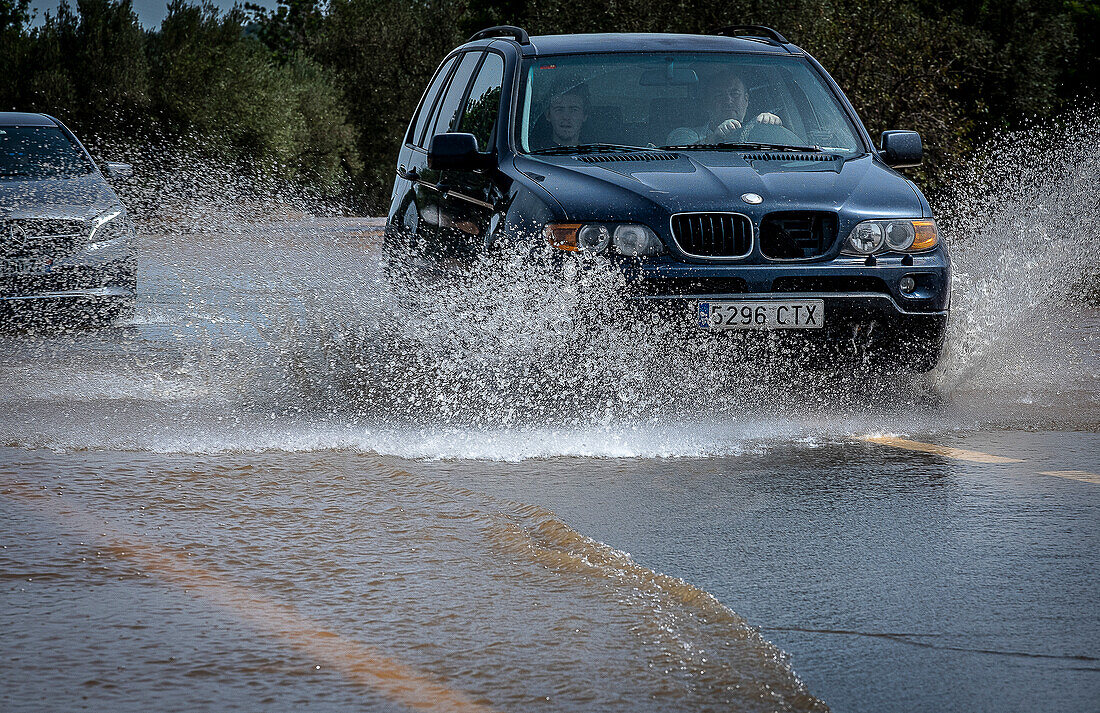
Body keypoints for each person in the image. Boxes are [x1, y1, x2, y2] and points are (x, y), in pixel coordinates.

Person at [666, 75, 782, 145]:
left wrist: (771, 129)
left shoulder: (760, 132)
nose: (728, 101)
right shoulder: (685, 134)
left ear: (746, 100)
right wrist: (714, 139)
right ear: (707, 103)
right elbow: (682, 158)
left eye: (735, 94)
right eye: (719, 95)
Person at [543, 82, 589, 147]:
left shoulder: (595, 154)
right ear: (548, 115)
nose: (566, 117)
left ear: (584, 115)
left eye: (574, 110)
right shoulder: (530, 153)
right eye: (559, 109)